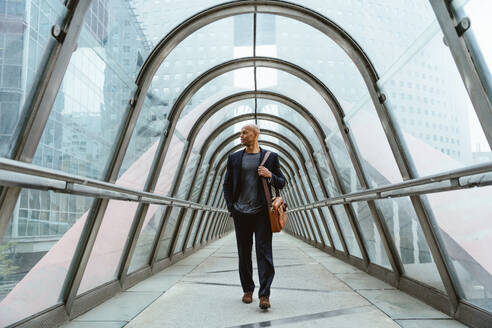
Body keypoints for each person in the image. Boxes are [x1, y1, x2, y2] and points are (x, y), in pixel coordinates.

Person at [223, 124, 286, 310]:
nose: (241, 136)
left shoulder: (270, 157)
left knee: (264, 252)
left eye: (245, 132)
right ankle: (248, 290)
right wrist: (231, 208)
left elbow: (282, 182)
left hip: (262, 213)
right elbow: (227, 185)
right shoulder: (234, 158)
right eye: (241, 133)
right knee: (244, 253)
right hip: (240, 212)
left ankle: (264, 295)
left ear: (255, 134)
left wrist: (270, 175)